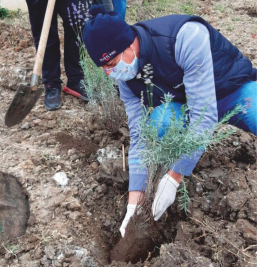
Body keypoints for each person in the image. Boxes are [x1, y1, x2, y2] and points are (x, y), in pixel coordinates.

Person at [83, 5, 257, 237]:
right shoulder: (127, 79)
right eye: (104, 68)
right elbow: (139, 136)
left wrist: (175, 177)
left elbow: (203, 116)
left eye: (112, 63)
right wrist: (134, 201)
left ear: (129, 44)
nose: (110, 73)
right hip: (186, 102)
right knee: (160, 124)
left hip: (231, 90)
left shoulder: (184, 37)